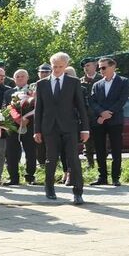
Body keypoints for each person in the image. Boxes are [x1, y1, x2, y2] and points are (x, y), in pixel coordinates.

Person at [33, 52, 90, 204]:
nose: (57, 69)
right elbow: (39, 109)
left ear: (65, 66)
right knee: (51, 159)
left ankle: (78, 192)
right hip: (49, 127)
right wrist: (36, 130)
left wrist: (85, 129)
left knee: (73, 159)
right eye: (54, 66)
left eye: (60, 66)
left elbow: (81, 107)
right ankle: (49, 188)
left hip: (69, 127)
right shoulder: (41, 84)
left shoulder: (74, 82)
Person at [88, 56, 129, 186]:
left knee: (116, 149)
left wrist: (108, 113)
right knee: (100, 150)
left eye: (104, 67)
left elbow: (121, 101)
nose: (101, 70)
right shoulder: (97, 84)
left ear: (113, 66)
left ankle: (115, 177)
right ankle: (102, 177)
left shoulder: (123, 81)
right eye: (99, 68)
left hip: (115, 120)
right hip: (99, 121)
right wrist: (101, 113)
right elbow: (92, 101)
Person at [79, 57, 101, 170]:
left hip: (99, 116)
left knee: (101, 141)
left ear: (95, 65)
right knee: (87, 142)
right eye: (84, 67)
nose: (86, 68)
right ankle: (90, 164)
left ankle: (101, 166)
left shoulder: (102, 79)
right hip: (86, 116)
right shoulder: (80, 81)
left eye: (88, 65)